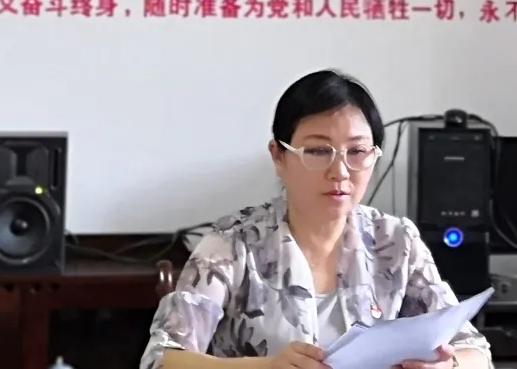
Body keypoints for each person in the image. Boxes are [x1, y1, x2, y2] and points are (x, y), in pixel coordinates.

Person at [140, 69, 493, 369]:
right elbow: (161, 359)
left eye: (357, 151)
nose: (340, 171)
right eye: (318, 151)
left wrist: (449, 365)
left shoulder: (395, 241)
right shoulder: (232, 244)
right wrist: (264, 367)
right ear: (279, 156)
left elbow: (476, 351)